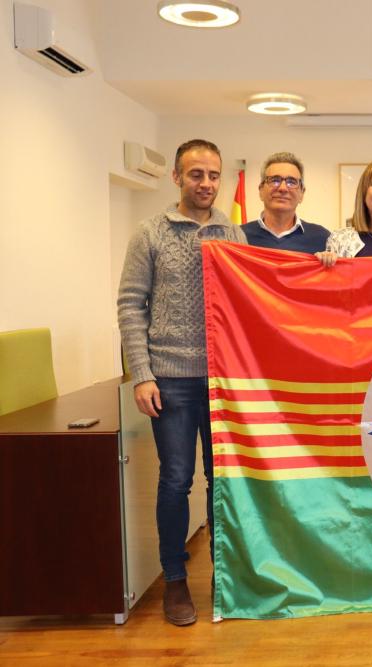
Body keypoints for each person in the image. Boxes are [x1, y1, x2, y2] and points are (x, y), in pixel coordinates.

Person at [117, 139, 247, 626]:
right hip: (169, 381)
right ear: (176, 177)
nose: (207, 183)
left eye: (213, 174)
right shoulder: (149, 233)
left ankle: (223, 577)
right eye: (196, 174)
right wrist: (142, 374)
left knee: (222, 483)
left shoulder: (234, 235)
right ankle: (175, 580)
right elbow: (131, 305)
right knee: (176, 480)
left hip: (223, 382)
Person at [242, 152, 330, 254]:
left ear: (302, 193)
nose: (283, 188)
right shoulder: (238, 236)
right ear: (261, 190)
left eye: (291, 182)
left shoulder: (322, 239)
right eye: (275, 180)